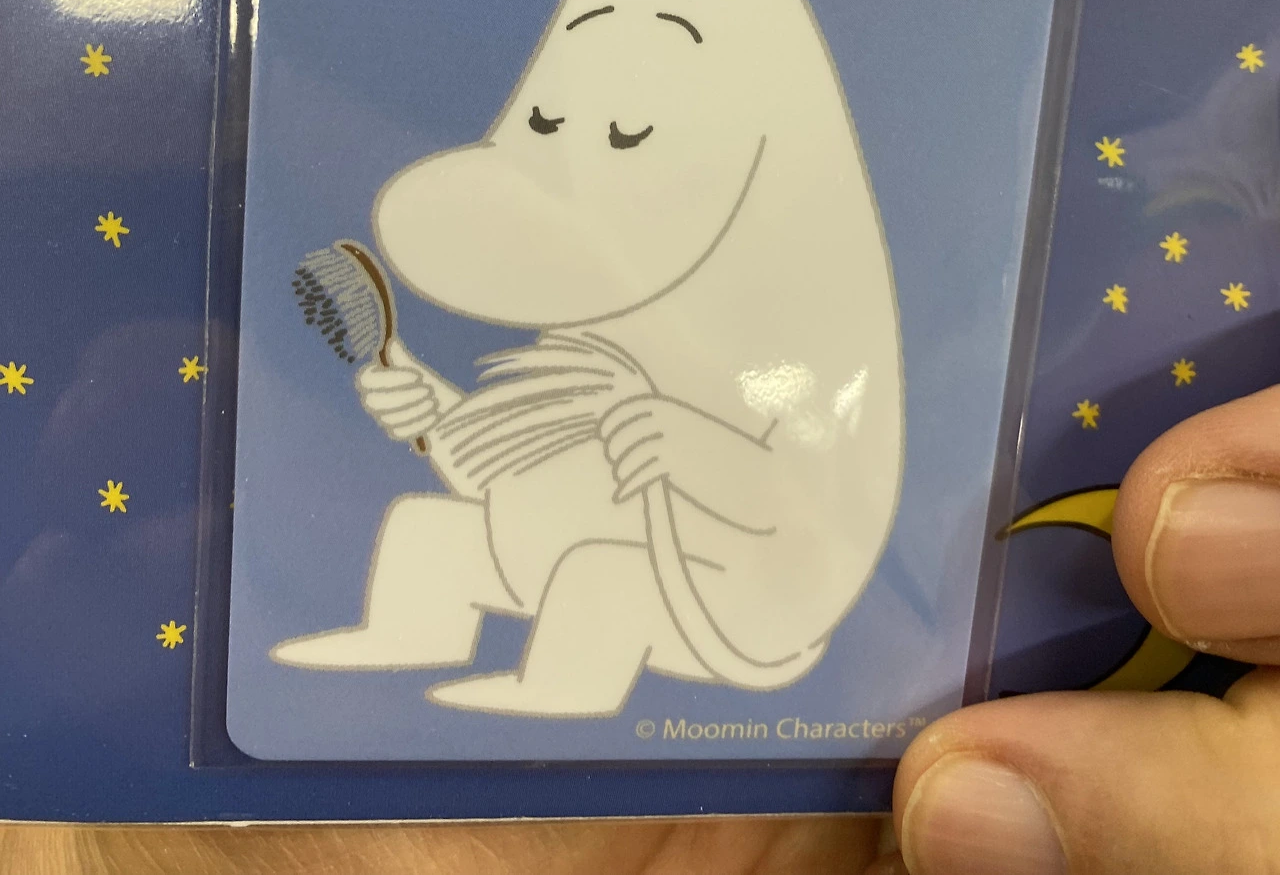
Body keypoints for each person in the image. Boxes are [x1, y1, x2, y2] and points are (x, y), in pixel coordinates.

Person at [5, 384, 1280, 874]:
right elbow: (465, 446)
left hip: (696, 603)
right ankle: (401, 631)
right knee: (434, 537)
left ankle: (537, 669)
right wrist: (417, 406)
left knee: (597, 579)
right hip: (560, 570)